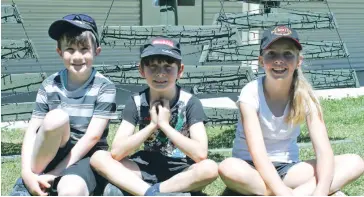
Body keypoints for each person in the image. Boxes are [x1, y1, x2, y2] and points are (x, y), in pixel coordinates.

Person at [218, 25, 364, 196]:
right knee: (227, 167)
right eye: (271, 53)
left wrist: (322, 191)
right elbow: (257, 152)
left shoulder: (306, 97)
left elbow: (324, 151)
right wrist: (283, 193)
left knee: (355, 162)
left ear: (298, 61)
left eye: (288, 54)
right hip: (251, 167)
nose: (279, 60)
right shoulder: (250, 93)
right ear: (260, 60)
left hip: (289, 170)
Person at [90, 37, 218, 196]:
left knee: (210, 168)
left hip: (180, 170)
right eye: (153, 66)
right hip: (144, 167)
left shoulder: (190, 102)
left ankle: (154, 191)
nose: (160, 73)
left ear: (180, 70)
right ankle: (156, 193)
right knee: (99, 157)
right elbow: (117, 151)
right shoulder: (136, 102)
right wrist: (152, 125)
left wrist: (165, 125)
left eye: (168, 67)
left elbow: (200, 153)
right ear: (142, 70)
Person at [10, 14, 117, 196]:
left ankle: (50, 180)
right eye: (70, 49)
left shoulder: (104, 87)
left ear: (96, 51)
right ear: (60, 52)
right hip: (50, 154)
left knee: (70, 191)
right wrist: (26, 172)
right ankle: (31, 181)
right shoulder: (50, 84)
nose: (77, 56)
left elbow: (92, 137)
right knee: (56, 118)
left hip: (85, 157)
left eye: (84, 49)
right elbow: (32, 131)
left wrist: (55, 173)